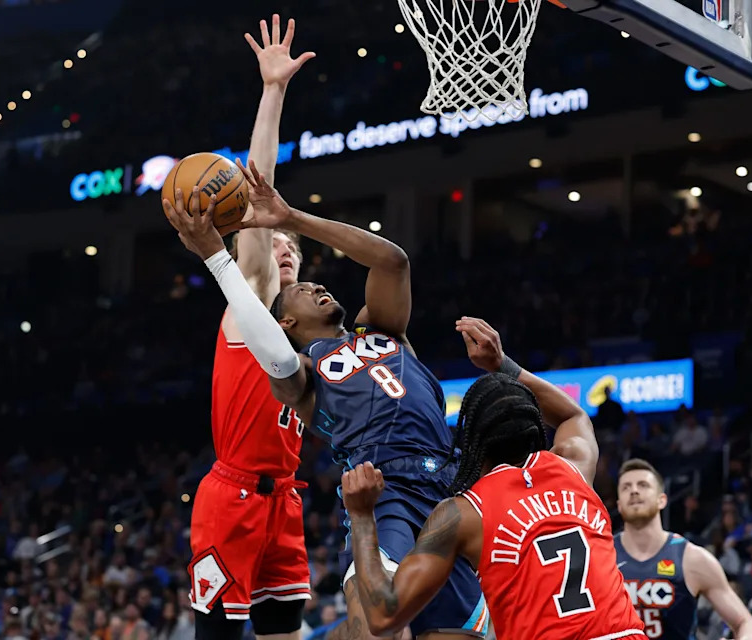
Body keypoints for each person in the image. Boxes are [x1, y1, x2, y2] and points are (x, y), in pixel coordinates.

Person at [164, 168, 487, 639]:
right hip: (384, 487)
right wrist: (216, 255)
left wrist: (291, 216)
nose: (315, 286)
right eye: (301, 291)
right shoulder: (302, 374)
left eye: (316, 284)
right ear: (288, 322)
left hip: (452, 482)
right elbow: (268, 348)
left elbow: (393, 262)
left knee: (460, 632)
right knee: (377, 623)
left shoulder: (381, 328)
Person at [339, 317, 647, 640]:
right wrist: (502, 364)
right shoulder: (573, 465)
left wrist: (361, 516)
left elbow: (384, 615)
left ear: (470, 444)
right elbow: (574, 415)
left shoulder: (463, 513)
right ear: (535, 425)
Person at [183, 15, 315, 640]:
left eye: (295, 246)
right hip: (231, 498)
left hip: (286, 498)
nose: (284, 248)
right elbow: (259, 205)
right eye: (275, 244)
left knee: (285, 631)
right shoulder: (252, 301)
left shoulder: (313, 327)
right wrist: (273, 93)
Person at [615, 458, 752, 640]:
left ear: (662, 500)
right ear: (619, 505)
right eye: (626, 487)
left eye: (643, 485)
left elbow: (746, 624)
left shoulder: (692, 558)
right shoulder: (599, 557)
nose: (634, 491)